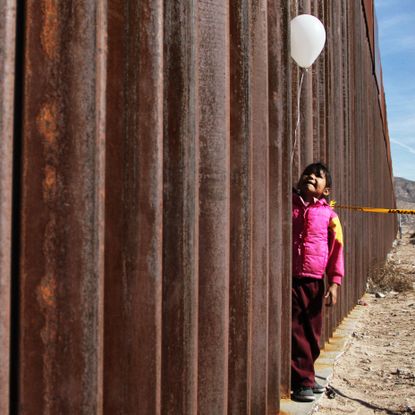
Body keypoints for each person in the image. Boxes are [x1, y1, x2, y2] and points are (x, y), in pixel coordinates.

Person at [291, 162, 344, 402]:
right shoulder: (288, 206)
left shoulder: (329, 215)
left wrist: (334, 282)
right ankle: (302, 381)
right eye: (308, 174)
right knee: (296, 330)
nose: (311, 177)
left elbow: (337, 250)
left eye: (318, 177)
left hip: (314, 281)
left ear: (327, 190)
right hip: (291, 279)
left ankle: (306, 375)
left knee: (312, 332)